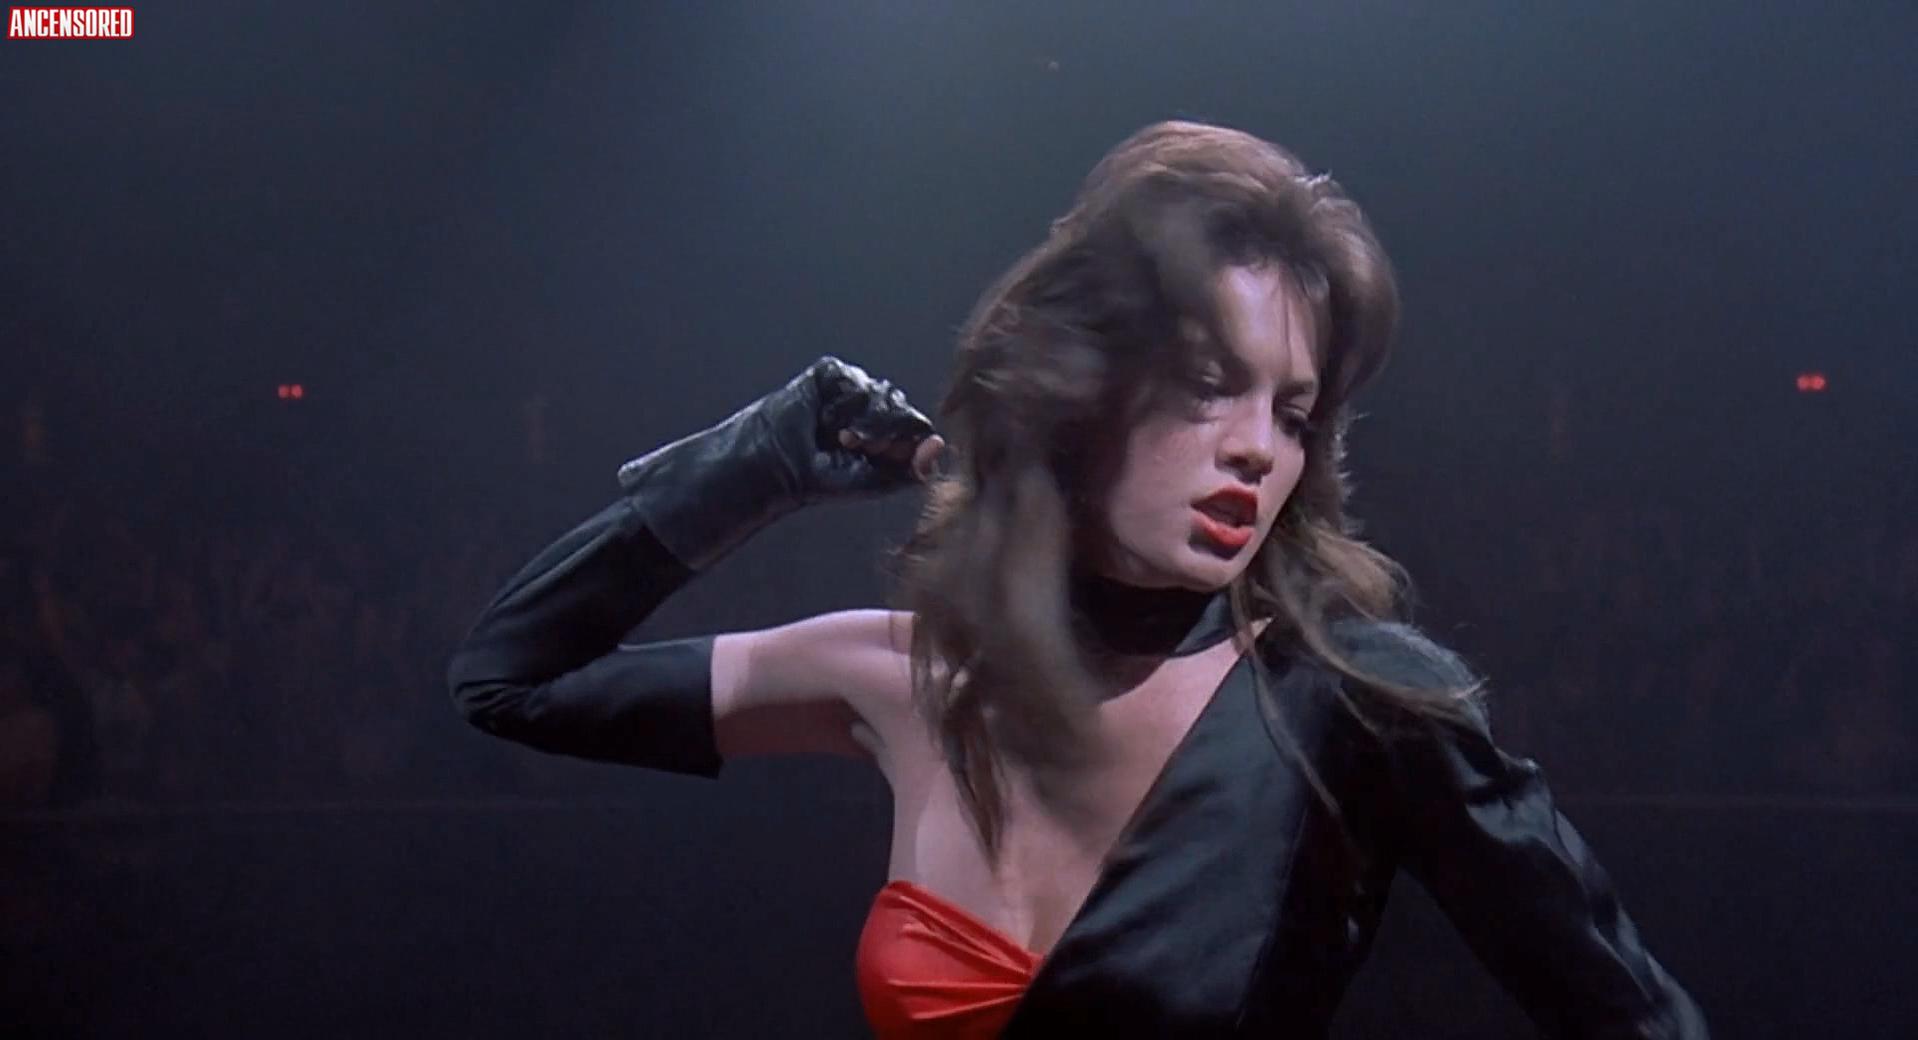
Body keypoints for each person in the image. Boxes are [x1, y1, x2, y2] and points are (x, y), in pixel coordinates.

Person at [446, 120, 1708, 1038]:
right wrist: (755, 462)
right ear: (1079, 387)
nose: (1256, 447)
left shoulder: (1352, 699)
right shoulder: (910, 675)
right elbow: (511, 678)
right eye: (1208, 383)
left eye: (1292, 411)